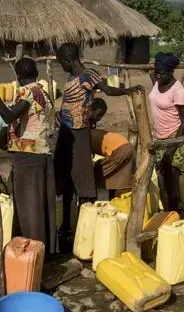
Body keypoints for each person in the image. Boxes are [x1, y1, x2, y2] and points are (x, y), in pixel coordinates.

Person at [54, 43, 142, 248]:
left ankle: (87, 228)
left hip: (79, 135)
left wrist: (128, 90)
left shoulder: (88, 76)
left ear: (68, 59)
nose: (62, 67)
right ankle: (66, 226)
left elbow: (108, 90)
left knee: (84, 180)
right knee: (65, 179)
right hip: (66, 133)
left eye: (62, 63)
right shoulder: (71, 78)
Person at [0, 58, 58, 253]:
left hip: (28, 154)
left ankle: (31, 252)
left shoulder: (27, 91)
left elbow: (9, 116)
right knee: (39, 203)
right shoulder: (44, 91)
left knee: (28, 206)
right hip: (41, 152)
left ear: (18, 76)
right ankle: (40, 250)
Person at [149, 52, 184, 212]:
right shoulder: (158, 81)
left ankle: (172, 218)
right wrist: (151, 67)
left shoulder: (178, 90)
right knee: (162, 181)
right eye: (156, 71)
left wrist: (171, 149)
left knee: (169, 182)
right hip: (159, 138)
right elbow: (152, 73)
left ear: (171, 72)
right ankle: (168, 218)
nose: (157, 75)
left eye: (161, 72)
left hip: (175, 137)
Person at [89, 98, 134, 198]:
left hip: (120, 150)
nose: (99, 118)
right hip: (125, 147)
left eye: (101, 116)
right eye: (98, 114)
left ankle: (96, 202)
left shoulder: (86, 130)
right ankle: (111, 201)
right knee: (112, 175)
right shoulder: (85, 128)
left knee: (94, 173)